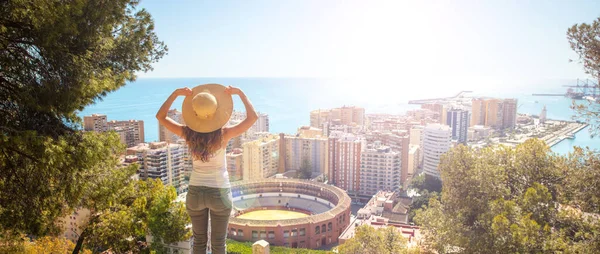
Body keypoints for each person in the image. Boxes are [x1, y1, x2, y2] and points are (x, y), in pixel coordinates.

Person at [156, 84, 258, 254]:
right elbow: (252, 117)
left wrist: (176, 93)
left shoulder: (187, 134)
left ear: (193, 113)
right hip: (220, 193)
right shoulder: (224, 134)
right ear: (216, 111)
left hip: (195, 193)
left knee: (199, 242)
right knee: (219, 244)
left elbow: (161, 116)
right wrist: (240, 93)